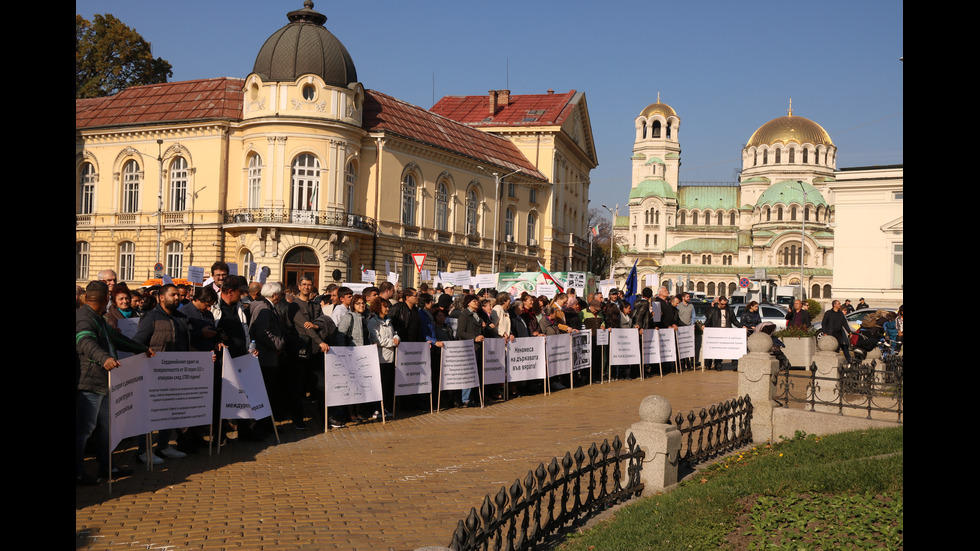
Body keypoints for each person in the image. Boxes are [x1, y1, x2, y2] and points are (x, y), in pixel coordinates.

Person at [77, 281, 154, 484]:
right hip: (90, 383)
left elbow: (115, 339)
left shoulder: (98, 319)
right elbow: (84, 341)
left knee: (105, 428)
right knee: (84, 429)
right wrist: (104, 358)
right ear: (106, 300)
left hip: (103, 381)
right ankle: (78, 472)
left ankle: (106, 467)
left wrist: (141, 348)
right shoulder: (84, 318)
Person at [133, 284, 192, 461]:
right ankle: (143, 451)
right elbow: (137, 342)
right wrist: (146, 351)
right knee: (149, 413)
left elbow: (186, 344)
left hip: (176, 374)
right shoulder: (150, 317)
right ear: (161, 297)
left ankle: (164, 446)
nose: (177, 298)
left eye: (177, 295)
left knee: (170, 410)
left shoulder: (181, 317)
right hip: (153, 374)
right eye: (172, 295)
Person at [367, 297, 399, 418]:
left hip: (390, 357)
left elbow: (395, 333)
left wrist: (397, 338)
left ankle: (385, 407)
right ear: (378, 308)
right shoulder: (373, 321)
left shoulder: (388, 320)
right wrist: (392, 342)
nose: (387, 309)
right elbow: (376, 339)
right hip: (380, 358)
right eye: (385, 306)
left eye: (388, 306)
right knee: (380, 384)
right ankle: (376, 409)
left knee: (388, 385)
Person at [704, 295, 741, 371]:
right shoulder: (713, 310)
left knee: (732, 349)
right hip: (717, 331)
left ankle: (735, 365)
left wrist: (741, 326)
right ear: (719, 302)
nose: (724, 305)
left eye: (725, 304)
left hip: (727, 331)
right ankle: (718, 364)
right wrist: (704, 325)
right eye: (722, 304)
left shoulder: (730, 310)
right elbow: (709, 319)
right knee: (718, 349)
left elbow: (734, 321)